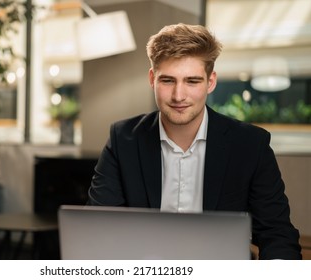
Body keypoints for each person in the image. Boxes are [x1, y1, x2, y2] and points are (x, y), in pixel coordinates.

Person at [86, 23, 302, 260]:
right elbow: (99, 229)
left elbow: (277, 234)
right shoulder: (123, 139)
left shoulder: (251, 144)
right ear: (152, 79)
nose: (179, 96)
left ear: (210, 82)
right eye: (168, 81)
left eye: (192, 81)